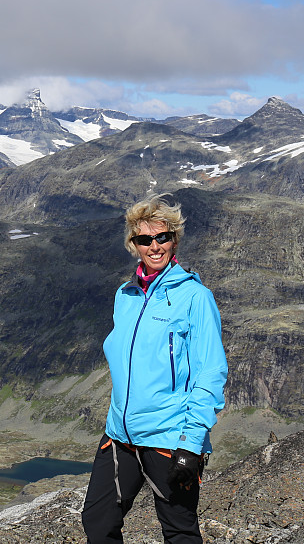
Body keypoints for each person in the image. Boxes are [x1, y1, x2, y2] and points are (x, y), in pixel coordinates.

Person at [82, 194, 228, 543]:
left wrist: (191, 445)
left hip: (169, 438)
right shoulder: (125, 295)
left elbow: (211, 372)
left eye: (162, 236)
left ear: (174, 240)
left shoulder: (195, 297)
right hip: (121, 437)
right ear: (134, 245)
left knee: (179, 532)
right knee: (98, 523)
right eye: (145, 239)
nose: (155, 246)